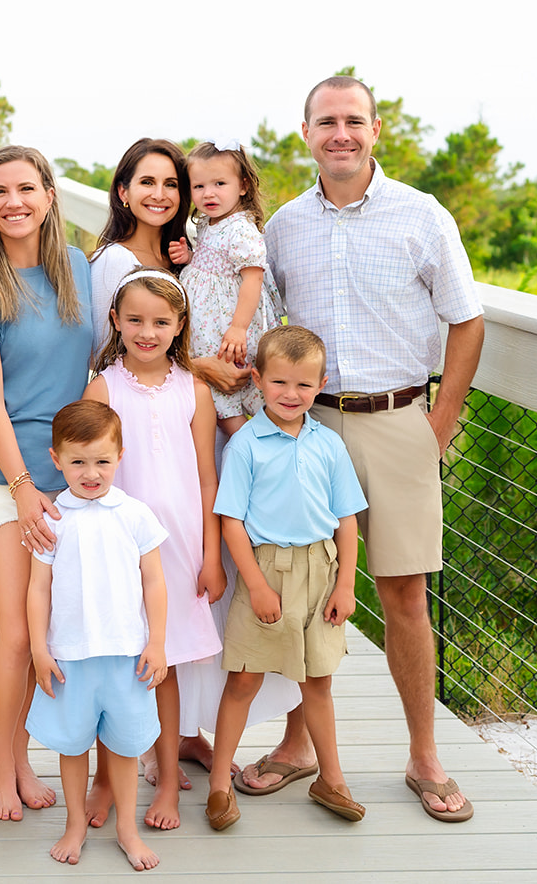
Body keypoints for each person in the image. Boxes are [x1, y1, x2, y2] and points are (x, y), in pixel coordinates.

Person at [263, 74, 485, 822]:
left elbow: (467, 320)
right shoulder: (285, 226)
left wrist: (440, 421)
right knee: (301, 588)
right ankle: (298, 743)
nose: (341, 134)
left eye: (353, 121)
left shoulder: (422, 215)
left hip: (399, 422)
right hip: (309, 426)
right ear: (306, 133)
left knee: (404, 594)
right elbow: (262, 315)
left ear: (376, 129)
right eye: (327, 121)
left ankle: (424, 757)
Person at [0, 144, 93, 822]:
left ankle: (24, 757)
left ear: (49, 196)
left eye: (26, 188)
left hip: (71, 476)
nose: (14, 202)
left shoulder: (78, 269)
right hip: (7, 475)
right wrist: (24, 486)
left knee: (49, 629)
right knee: (14, 630)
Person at [206, 325, 368, 831]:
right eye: (279, 382)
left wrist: (346, 585)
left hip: (321, 572)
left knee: (318, 680)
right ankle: (218, 785)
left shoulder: (329, 445)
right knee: (244, 679)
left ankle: (331, 779)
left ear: (321, 385)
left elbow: (346, 519)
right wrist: (255, 585)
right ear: (257, 380)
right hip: (267, 571)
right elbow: (231, 521)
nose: (290, 394)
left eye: (303, 384)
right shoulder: (245, 446)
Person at [82, 268, 222, 831]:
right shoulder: (104, 389)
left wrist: (212, 555)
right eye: (135, 320)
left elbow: (207, 478)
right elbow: (90, 473)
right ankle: (103, 779)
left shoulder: (195, 390)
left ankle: (166, 779)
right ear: (115, 320)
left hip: (180, 547)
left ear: (179, 325)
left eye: (161, 322)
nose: (147, 332)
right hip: (119, 549)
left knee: (163, 665)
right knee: (114, 662)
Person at [26, 400, 168, 872]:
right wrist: (39, 649)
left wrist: (157, 642)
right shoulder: (52, 519)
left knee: (125, 747)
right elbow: (38, 588)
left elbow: (154, 581)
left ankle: (127, 828)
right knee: (72, 746)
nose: (91, 473)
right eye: (78, 462)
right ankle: (75, 824)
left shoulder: (135, 514)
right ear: (56, 459)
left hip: (128, 655)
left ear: (120, 456)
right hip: (70, 657)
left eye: (102, 461)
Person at [171, 139, 284, 437]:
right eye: (199, 186)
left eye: (219, 183)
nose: (208, 193)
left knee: (230, 395)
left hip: (229, 326)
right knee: (218, 396)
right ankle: (250, 443)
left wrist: (238, 327)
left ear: (243, 186)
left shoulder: (240, 228)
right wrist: (190, 257)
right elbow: (217, 266)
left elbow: (252, 279)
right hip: (209, 327)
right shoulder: (208, 223)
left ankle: (254, 444)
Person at [89, 138, 190, 350]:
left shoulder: (188, 258)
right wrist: (205, 366)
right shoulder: (113, 260)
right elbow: (103, 354)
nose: (159, 195)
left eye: (170, 184)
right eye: (147, 182)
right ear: (123, 192)